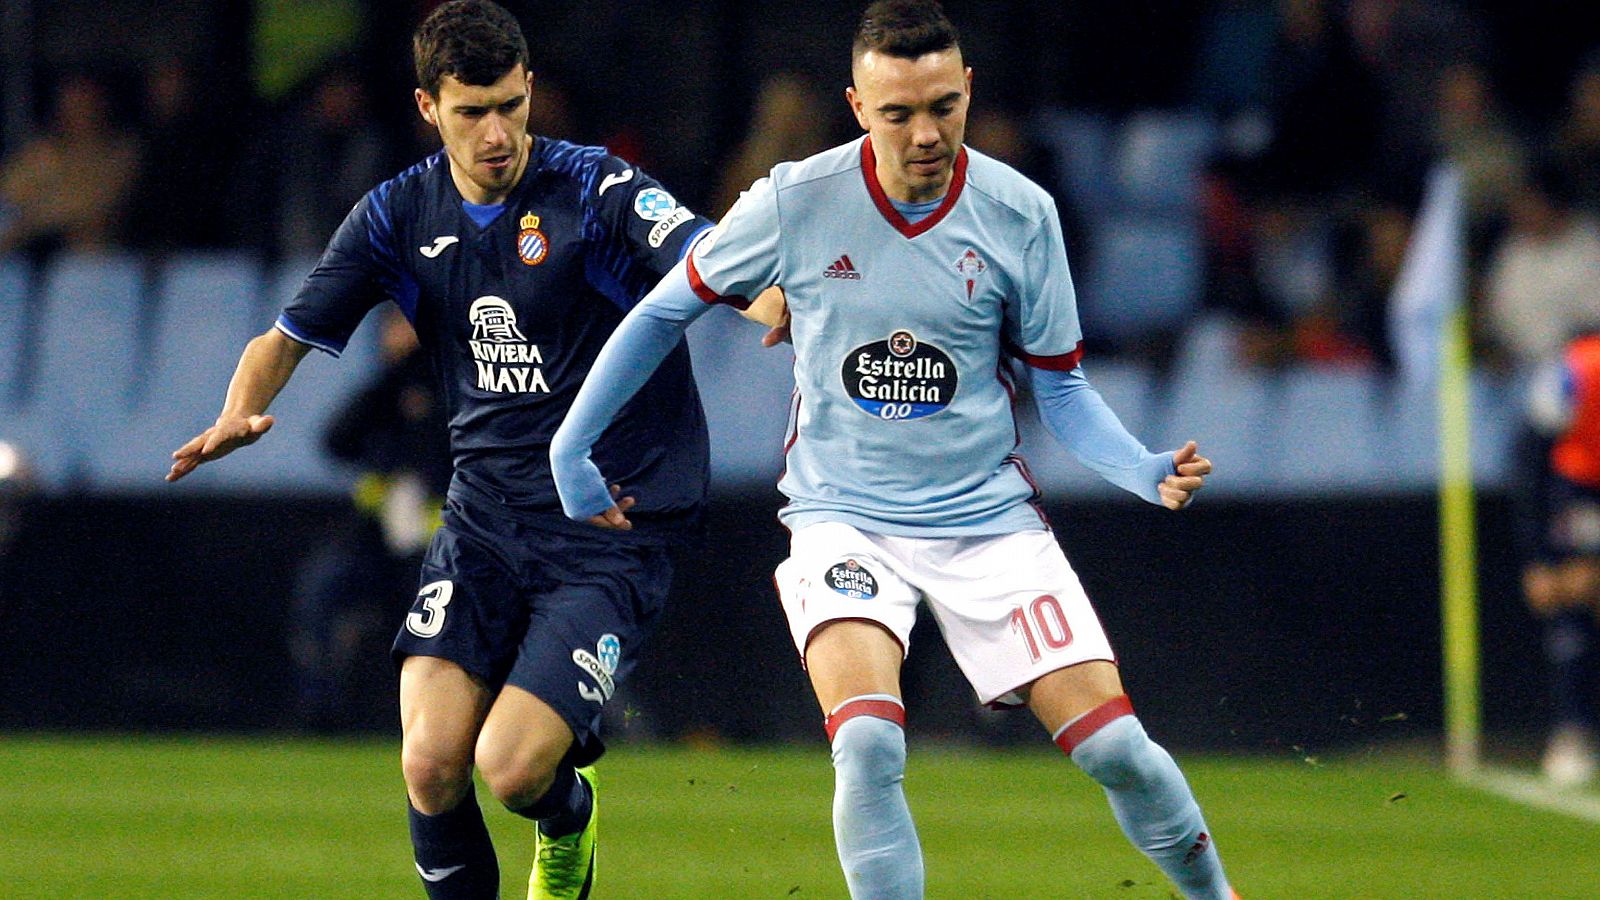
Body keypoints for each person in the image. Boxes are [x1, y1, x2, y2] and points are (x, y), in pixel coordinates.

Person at [550, 2, 1238, 897]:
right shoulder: (796, 201)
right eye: (898, 113)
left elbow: (1060, 387)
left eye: (943, 107)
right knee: (869, 742)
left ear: (968, 93)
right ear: (857, 106)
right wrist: (574, 444)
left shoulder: (1020, 213)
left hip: (986, 521)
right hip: (844, 520)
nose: (925, 133)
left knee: (1119, 750)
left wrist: (1141, 468)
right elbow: (665, 308)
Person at [168, 2, 775, 896]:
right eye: (470, 112)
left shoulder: (598, 193)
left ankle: (568, 819)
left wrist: (780, 306)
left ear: (529, 88)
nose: (496, 133)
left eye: (508, 105)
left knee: (514, 770)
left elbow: (712, 260)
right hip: (484, 522)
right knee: (429, 763)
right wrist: (238, 411)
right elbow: (284, 337)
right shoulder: (395, 214)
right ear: (428, 108)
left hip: (610, 525)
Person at [288, 308, 451, 731]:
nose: (397, 337)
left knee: (434, 629)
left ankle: (438, 719)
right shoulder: (385, 390)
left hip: (439, 543)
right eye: (391, 328)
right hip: (374, 538)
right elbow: (336, 439)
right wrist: (393, 378)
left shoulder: (455, 391)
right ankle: (321, 712)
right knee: (321, 590)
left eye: (407, 327)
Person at [1518, 334, 1600, 786]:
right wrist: (1540, 559)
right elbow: (1529, 455)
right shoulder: (1576, 371)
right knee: (1573, 605)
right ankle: (1575, 729)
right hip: (1579, 492)